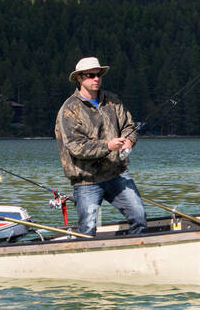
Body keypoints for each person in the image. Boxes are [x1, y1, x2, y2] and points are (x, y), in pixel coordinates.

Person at [55, 56, 147, 236]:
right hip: (86, 180)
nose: (96, 79)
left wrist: (129, 141)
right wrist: (108, 145)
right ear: (79, 78)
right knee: (87, 229)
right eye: (90, 75)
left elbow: (129, 126)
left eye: (99, 75)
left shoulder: (113, 100)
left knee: (139, 216)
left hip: (117, 173)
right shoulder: (69, 109)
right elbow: (76, 147)